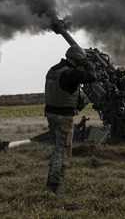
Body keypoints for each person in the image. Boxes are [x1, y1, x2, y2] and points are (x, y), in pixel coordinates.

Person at [44, 46, 96, 195]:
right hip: (63, 117)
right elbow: (92, 77)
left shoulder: (53, 69)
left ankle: (54, 181)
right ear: (77, 59)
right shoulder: (71, 73)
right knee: (63, 150)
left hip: (51, 113)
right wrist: (88, 64)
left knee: (57, 147)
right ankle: (55, 185)